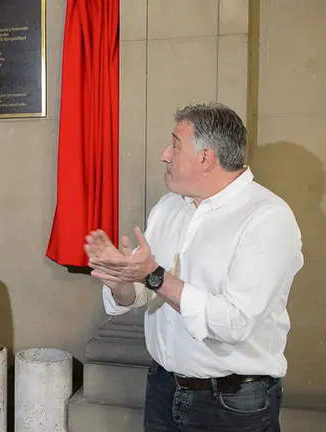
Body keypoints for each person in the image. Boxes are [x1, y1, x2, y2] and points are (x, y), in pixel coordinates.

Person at [84, 102, 303, 431]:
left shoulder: (267, 217)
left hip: (231, 404)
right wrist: (121, 280)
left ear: (206, 157)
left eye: (174, 144)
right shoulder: (169, 206)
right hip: (163, 388)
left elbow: (234, 323)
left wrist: (154, 275)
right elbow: (143, 295)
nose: (164, 154)